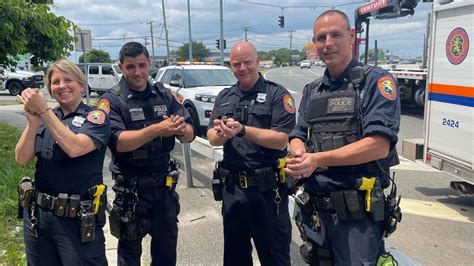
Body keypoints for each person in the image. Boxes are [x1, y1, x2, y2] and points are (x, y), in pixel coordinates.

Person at [284, 10, 401, 265]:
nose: (328, 43)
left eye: (335, 34)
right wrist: (298, 152)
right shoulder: (312, 90)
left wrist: (317, 159)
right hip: (316, 212)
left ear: (351, 36)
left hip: (357, 220)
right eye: (321, 37)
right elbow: (297, 134)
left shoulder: (375, 82)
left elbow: (379, 145)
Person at [98, 42, 194, 266]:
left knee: (166, 253)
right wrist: (157, 130)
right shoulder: (111, 100)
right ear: (121, 67)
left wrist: (182, 129)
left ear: (149, 64)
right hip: (131, 192)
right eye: (131, 66)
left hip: (164, 189)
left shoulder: (164, 95)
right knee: (130, 256)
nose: (137, 72)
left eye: (142, 65)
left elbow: (189, 135)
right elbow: (119, 143)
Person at [207, 41, 296, 266]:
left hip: (267, 192)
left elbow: (281, 140)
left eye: (247, 62)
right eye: (236, 64)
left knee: (274, 256)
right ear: (231, 66)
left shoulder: (277, 94)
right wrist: (224, 134)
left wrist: (243, 130)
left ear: (258, 62)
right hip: (233, 190)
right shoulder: (225, 96)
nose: (242, 68)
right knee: (235, 257)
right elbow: (211, 137)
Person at [15, 59, 110, 265]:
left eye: (68, 80)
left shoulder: (95, 117)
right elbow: (21, 158)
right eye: (55, 82)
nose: (61, 86)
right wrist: (33, 124)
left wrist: (44, 112)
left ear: (81, 85)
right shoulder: (47, 117)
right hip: (39, 217)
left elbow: (75, 148)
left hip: (76, 221)